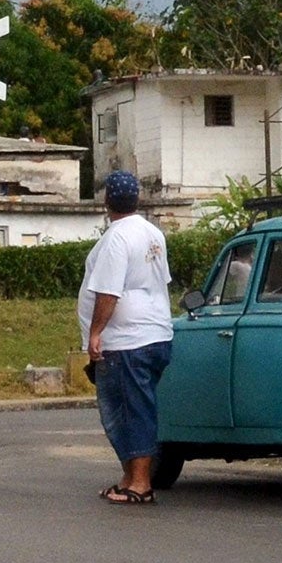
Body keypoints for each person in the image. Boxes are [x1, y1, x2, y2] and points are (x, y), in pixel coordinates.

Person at [79, 170, 174, 505]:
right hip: (156, 333)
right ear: (137, 199)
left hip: (127, 341)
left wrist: (95, 332)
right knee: (134, 407)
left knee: (127, 411)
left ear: (107, 201)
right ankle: (129, 477)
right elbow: (160, 280)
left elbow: (108, 292)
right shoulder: (152, 234)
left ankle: (140, 484)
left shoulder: (117, 238)